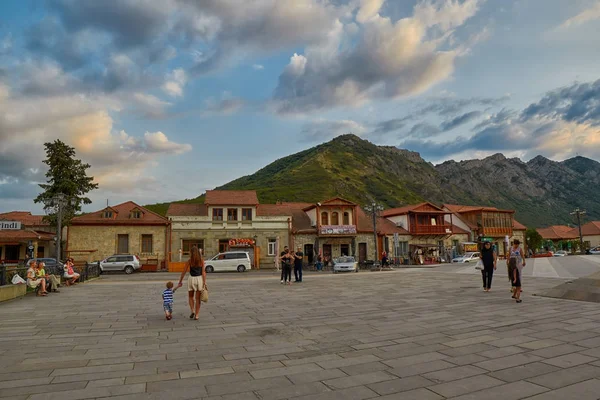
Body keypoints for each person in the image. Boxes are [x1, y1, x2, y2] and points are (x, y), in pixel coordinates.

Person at [178, 245, 206, 320]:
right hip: (199, 279)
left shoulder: (189, 261)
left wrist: (180, 281)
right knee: (198, 299)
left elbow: (183, 272)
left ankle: (192, 310)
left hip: (191, 279)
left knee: (190, 297)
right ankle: (197, 315)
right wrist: (204, 282)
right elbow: (203, 272)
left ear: (191, 253)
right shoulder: (201, 261)